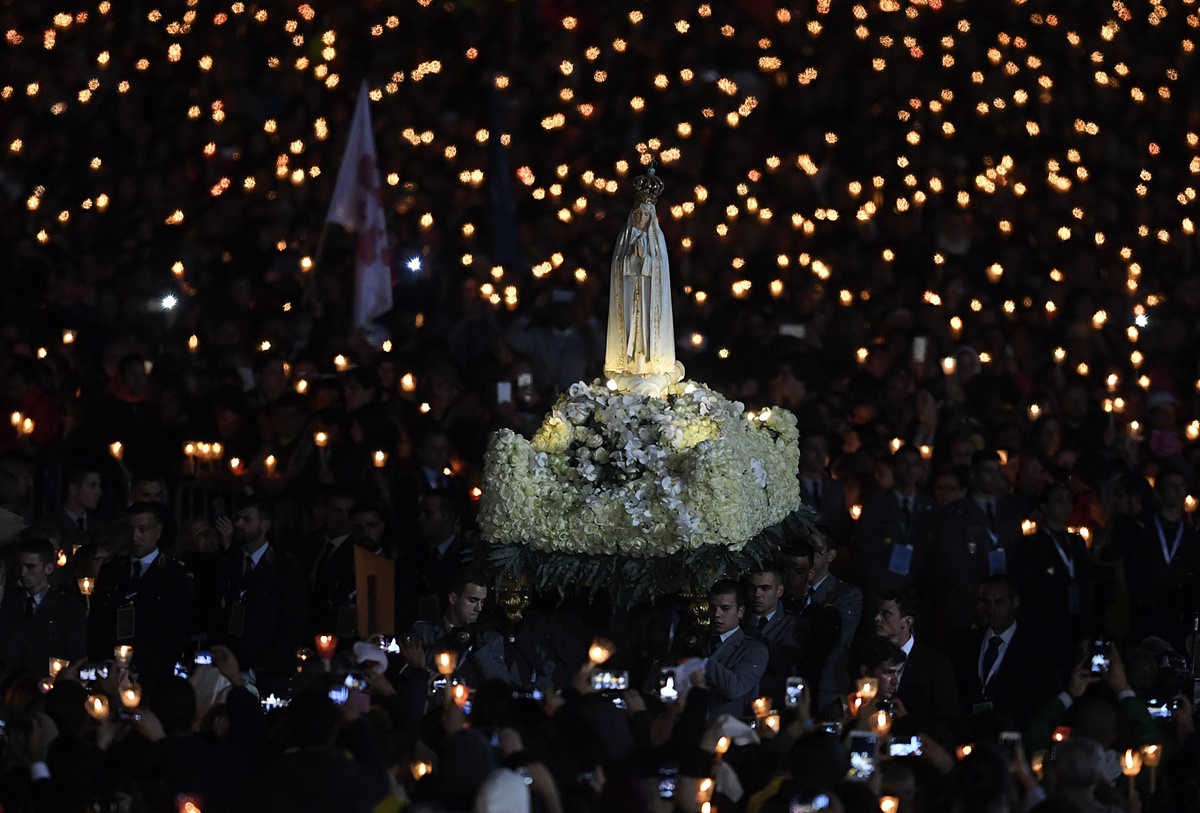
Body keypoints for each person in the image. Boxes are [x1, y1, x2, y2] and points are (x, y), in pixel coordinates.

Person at [86, 501, 194, 688]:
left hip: (156, 671)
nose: (136, 537)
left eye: (143, 529)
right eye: (131, 529)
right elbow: (98, 621)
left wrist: (147, 663)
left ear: (158, 531)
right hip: (113, 669)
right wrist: (106, 660)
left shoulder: (175, 574)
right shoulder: (112, 570)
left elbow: (179, 629)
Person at [209, 495, 309, 685]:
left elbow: (293, 622)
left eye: (247, 519)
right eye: (238, 518)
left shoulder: (285, 567)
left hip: (268, 669)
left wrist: (262, 667)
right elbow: (216, 614)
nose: (238, 524)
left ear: (265, 525)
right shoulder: (228, 563)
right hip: (229, 664)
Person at [603, 168, 682, 394]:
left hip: (648, 296)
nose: (641, 218)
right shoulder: (625, 238)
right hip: (629, 293)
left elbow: (660, 270)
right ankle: (628, 364)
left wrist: (644, 260)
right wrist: (631, 259)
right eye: (638, 214)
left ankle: (649, 364)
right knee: (630, 326)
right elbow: (618, 267)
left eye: (645, 215)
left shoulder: (657, 240)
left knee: (646, 328)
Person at [931, 449, 1022, 644]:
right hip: (966, 606)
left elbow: (1016, 554)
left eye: (998, 471)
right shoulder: (954, 513)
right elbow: (951, 561)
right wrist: (981, 596)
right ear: (974, 476)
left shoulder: (1010, 512)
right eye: (988, 471)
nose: (995, 477)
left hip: (1003, 605)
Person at [948, 575, 1054, 728]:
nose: (991, 609)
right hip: (969, 731)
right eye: (987, 602)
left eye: (999, 602)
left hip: (1014, 730)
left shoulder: (1035, 647)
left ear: (1015, 602)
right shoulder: (964, 642)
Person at [0, 538, 87, 683]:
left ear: (48, 568)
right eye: (20, 566)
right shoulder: (7, 601)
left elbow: (77, 655)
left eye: (30, 567)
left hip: (48, 688)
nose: (22, 573)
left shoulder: (69, 608)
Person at [875, 587, 959, 730]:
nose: (877, 618)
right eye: (878, 612)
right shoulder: (870, 655)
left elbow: (947, 719)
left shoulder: (935, 665)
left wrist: (909, 723)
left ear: (906, 622)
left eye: (886, 614)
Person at [694, 578, 768, 721]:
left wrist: (703, 661)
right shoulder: (697, 639)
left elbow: (733, 688)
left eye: (725, 608)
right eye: (712, 608)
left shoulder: (754, 650)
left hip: (723, 729)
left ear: (740, 612)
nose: (717, 614)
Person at [743, 563, 800, 708]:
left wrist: (749, 631)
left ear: (779, 590)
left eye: (765, 588)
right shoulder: (738, 620)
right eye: (752, 588)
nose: (757, 594)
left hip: (775, 705)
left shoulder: (793, 624)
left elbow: (780, 662)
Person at [44, 464, 103, 544]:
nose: (99, 492)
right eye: (93, 486)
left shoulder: (100, 526)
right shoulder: (50, 525)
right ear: (73, 489)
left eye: (99, 486)